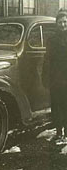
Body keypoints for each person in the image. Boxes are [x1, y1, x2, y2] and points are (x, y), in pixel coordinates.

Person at [43, 9, 67, 143]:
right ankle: (59, 132)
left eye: (65, 22)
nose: (63, 25)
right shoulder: (51, 40)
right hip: (56, 79)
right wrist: (45, 77)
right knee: (57, 107)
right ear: (56, 24)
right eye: (60, 22)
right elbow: (47, 60)